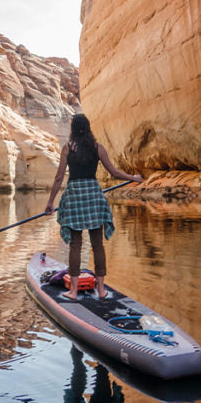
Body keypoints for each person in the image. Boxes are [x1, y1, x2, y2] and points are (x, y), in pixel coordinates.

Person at [45, 114, 142, 300]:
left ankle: (73, 292)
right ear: (88, 128)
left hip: (74, 196)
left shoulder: (67, 149)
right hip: (93, 196)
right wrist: (133, 178)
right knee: (98, 245)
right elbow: (114, 172)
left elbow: (59, 178)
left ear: (73, 129)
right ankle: (102, 290)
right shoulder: (98, 148)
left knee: (75, 244)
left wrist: (50, 202)